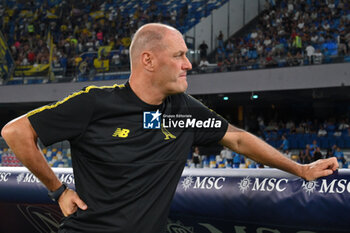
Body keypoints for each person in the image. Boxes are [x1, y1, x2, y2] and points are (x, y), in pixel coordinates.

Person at [1, 23, 338, 233]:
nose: (188, 64)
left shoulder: (182, 112)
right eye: (179, 55)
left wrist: (301, 169)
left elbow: (236, 137)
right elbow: (15, 132)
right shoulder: (95, 103)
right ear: (148, 60)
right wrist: (58, 190)